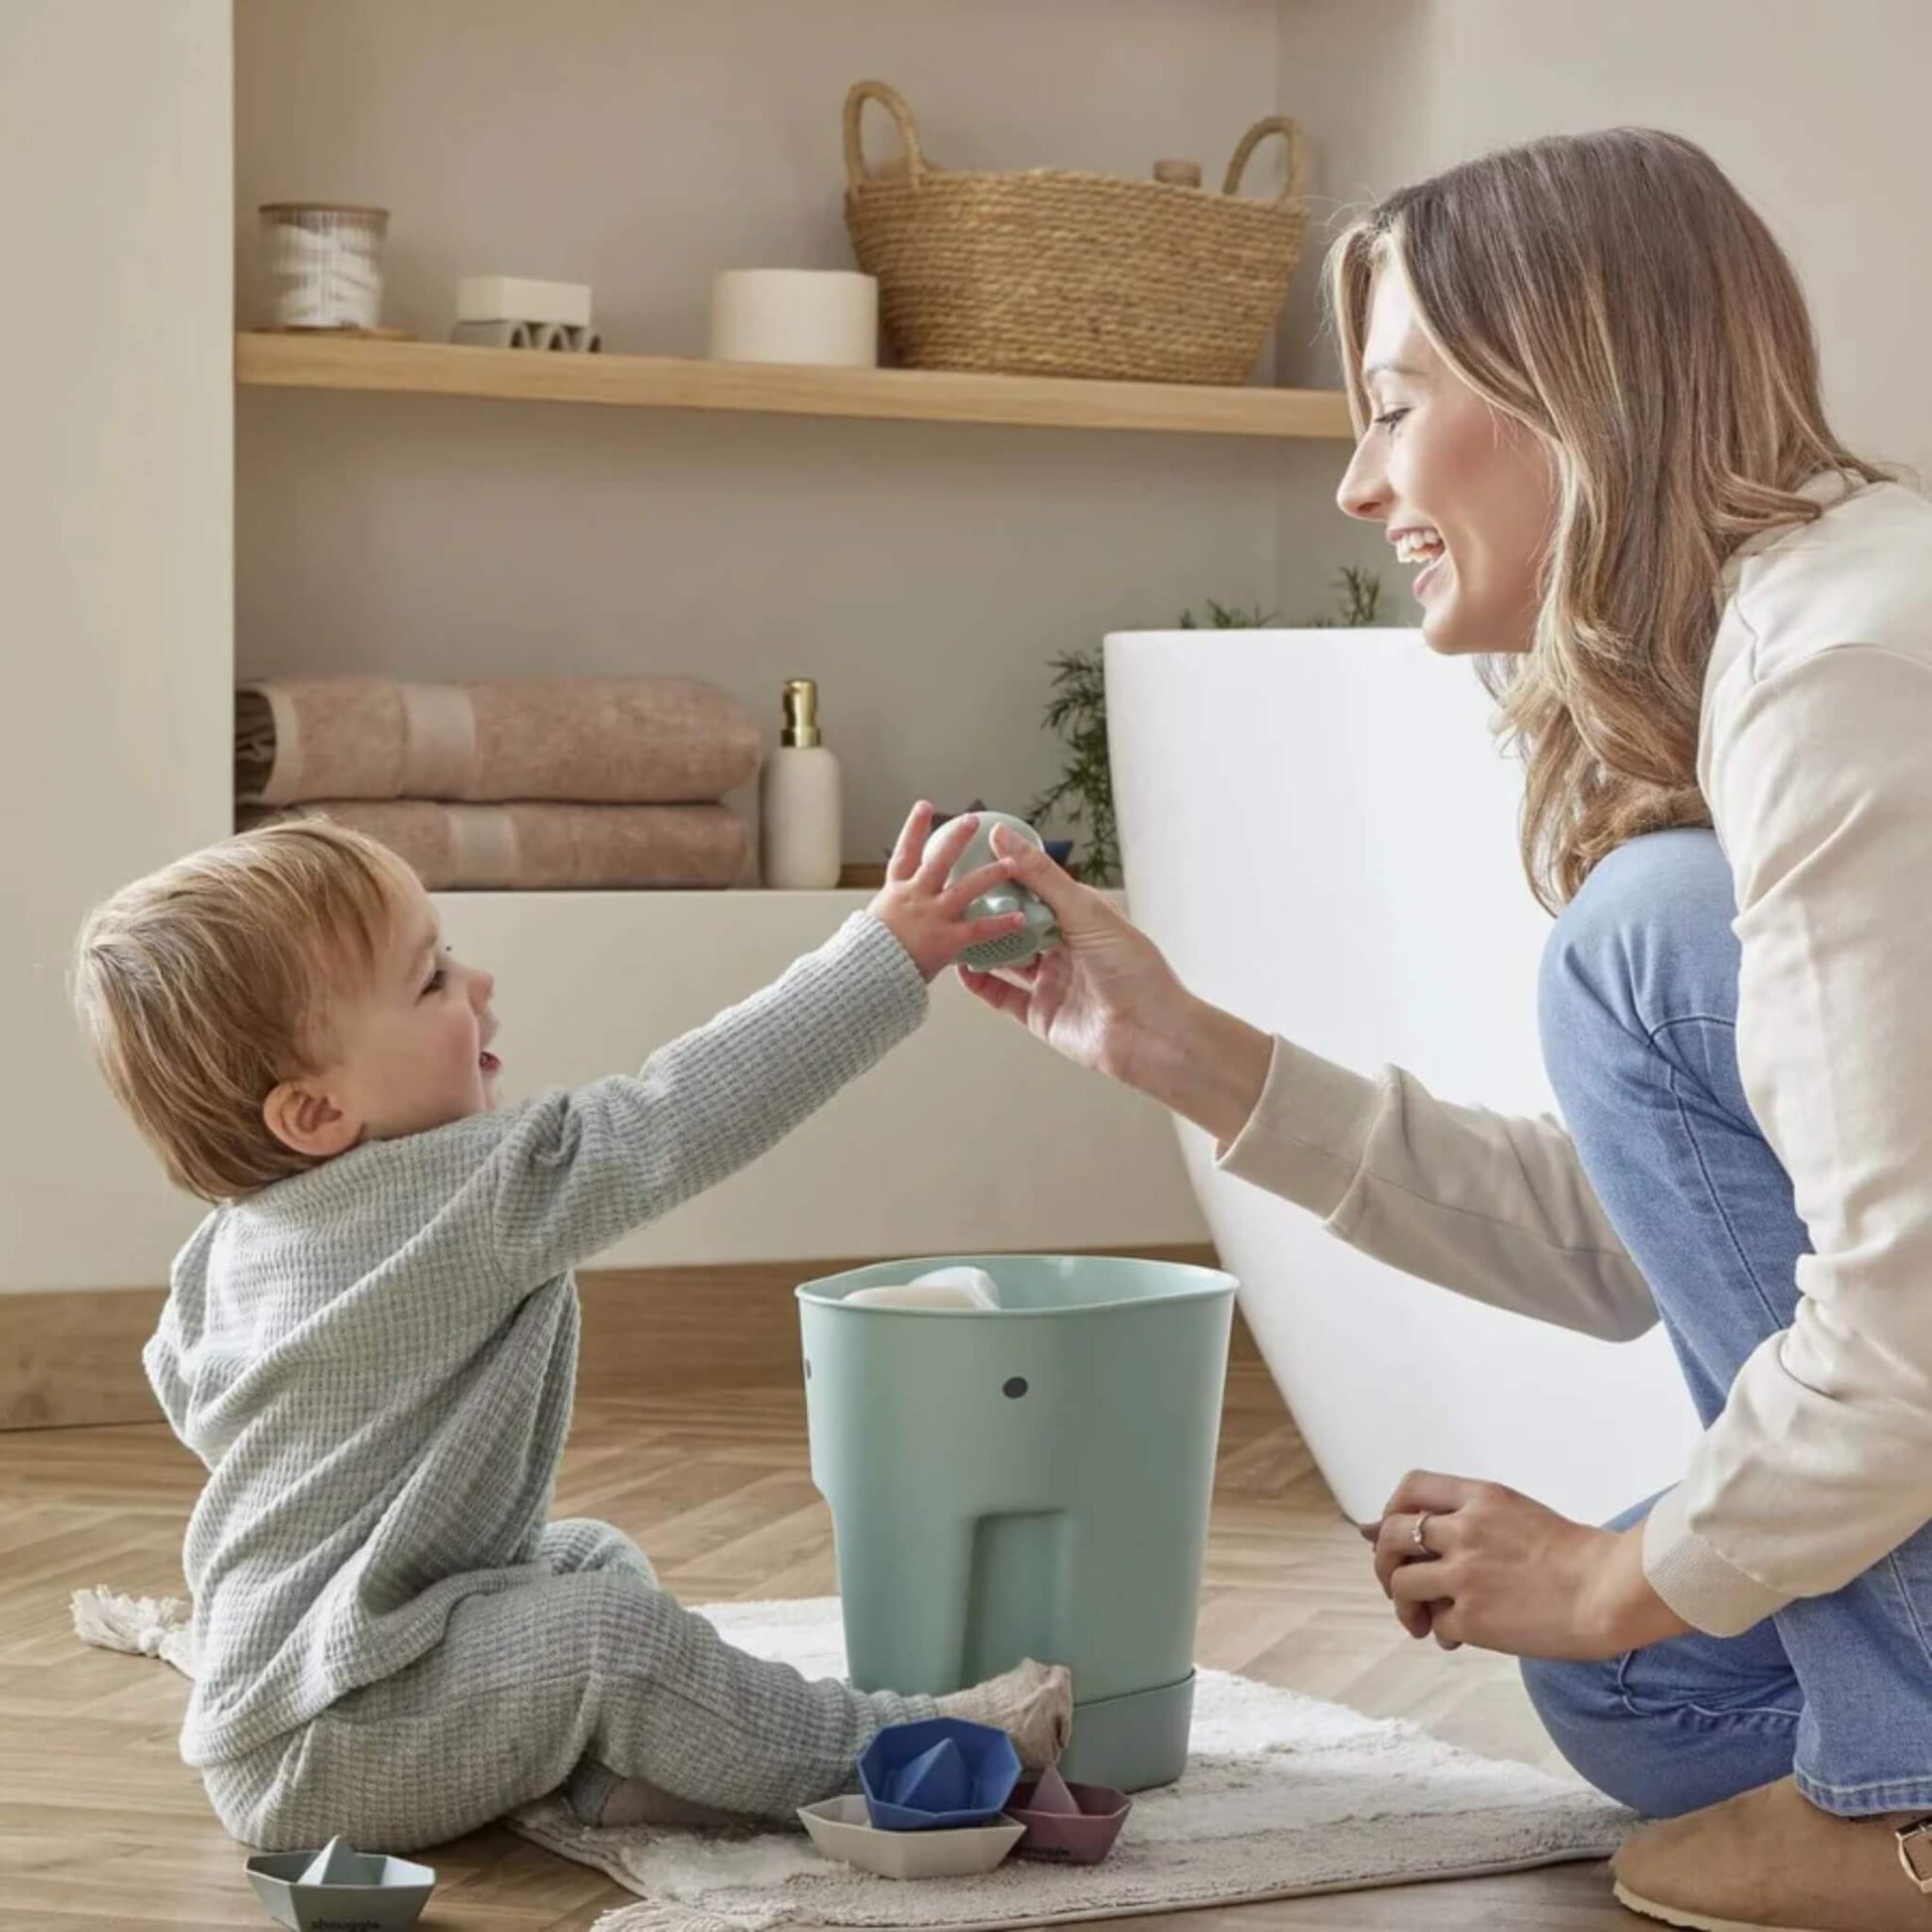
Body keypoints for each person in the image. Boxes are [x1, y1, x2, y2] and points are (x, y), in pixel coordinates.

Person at [964, 128, 1932, 1932]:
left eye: (1394, 408)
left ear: (1568, 397)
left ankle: (1911, 1802)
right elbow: (1649, 1236)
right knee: (1631, 1690)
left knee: (1635, 943)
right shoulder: (1789, 647)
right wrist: (1179, 1047)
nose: (1355, 484)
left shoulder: (1843, 682)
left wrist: (1610, 1567)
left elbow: (1909, 1332)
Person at [70, 808, 1071, 1853]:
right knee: (606, 1635)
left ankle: (617, 1774)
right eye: (431, 981)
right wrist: (887, 953)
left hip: (317, 1702)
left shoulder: (236, 1236)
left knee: (584, 1558)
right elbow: (681, 1112)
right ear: (315, 1113)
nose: (478, 984)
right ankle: (897, 1749)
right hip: (338, 1746)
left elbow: (184, 1378)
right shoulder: (464, 1191)